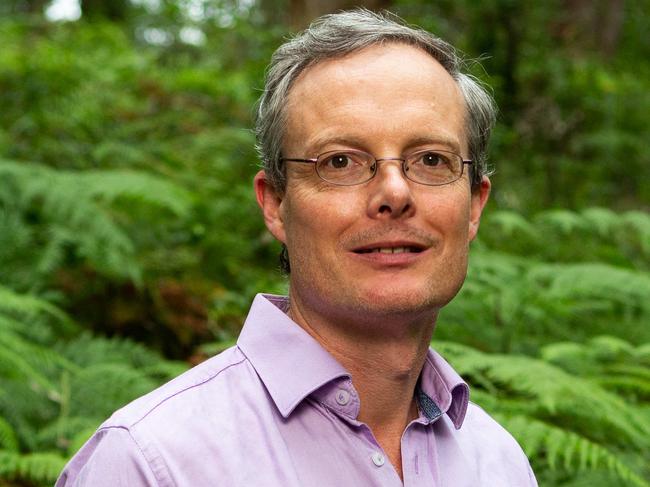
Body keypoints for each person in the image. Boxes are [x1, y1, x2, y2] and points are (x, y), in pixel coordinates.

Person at [57, 9, 537, 486]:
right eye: (341, 161)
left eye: (432, 159)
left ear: (474, 204)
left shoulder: (498, 464)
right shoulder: (152, 463)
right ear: (276, 203)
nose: (395, 193)